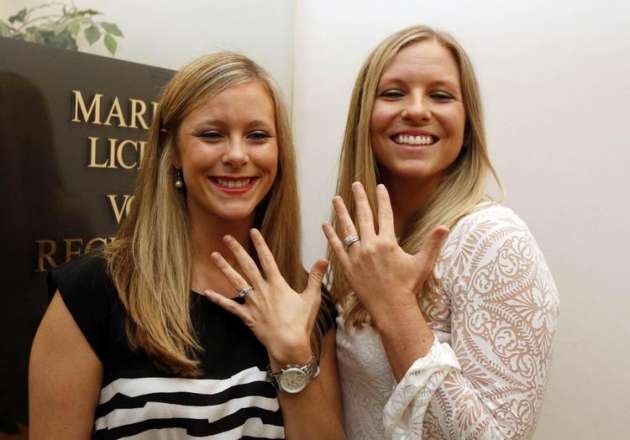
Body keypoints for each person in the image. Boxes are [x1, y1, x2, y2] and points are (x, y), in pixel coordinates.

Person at [29, 52, 344, 439]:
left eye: (257, 136)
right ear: (173, 149)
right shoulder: (92, 293)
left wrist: (293, 356)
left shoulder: (306, 300)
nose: (237, 155)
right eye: (212, 134)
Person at [322, 25, 559, 439]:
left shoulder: (494, 241)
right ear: (364, 119)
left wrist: (396, 308)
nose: (416, 110)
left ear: (467, 126)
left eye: (440, 95)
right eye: (393, 93)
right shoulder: (363, 240)